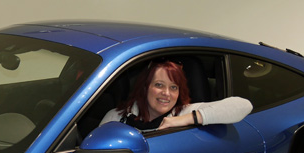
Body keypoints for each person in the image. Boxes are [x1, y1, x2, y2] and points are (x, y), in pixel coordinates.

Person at [99, 59, 252, 131]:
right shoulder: (116, 117)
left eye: (173, 87)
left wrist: (183, 120)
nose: (166, 93)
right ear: (145, 88)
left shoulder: (185, 111)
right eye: (159, 85)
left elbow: (243, 105)